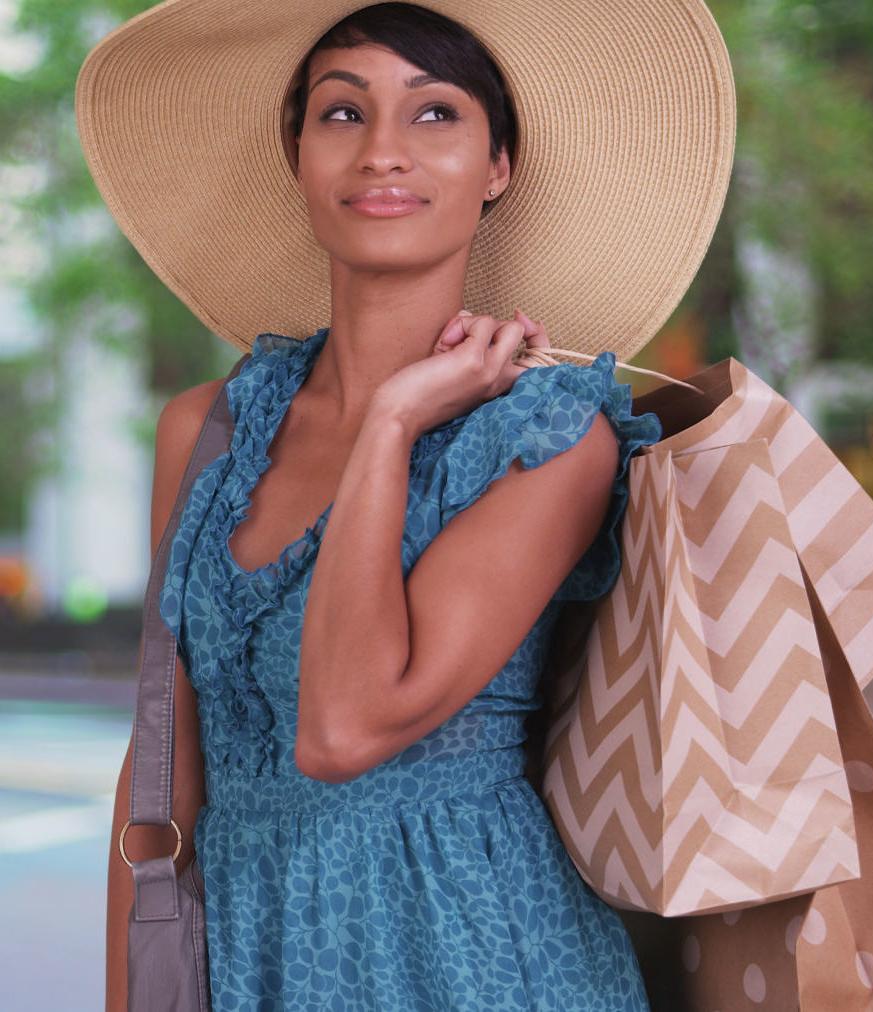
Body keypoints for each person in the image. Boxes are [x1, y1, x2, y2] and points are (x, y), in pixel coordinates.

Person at [77, 1, 737, 1008]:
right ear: (297, 155)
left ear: (498, 167)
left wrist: (388, 425)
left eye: (436, 115)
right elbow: (164, 756)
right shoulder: (207, 430)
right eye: (342, 114)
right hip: (245, 944)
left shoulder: (551, 435)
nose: (384, 150)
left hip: (470, 946)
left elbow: (343, 730)